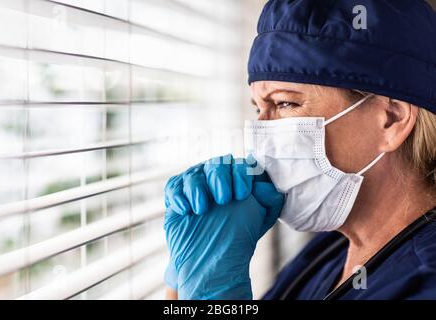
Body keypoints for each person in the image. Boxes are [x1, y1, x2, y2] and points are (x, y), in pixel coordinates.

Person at [163, 0, 436, 300]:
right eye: (259, 108)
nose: (262, 133)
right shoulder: (328, 251)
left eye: (285, 103)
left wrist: (216, 297)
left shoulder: (425, 282)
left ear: (391, 119)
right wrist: (187, 273)